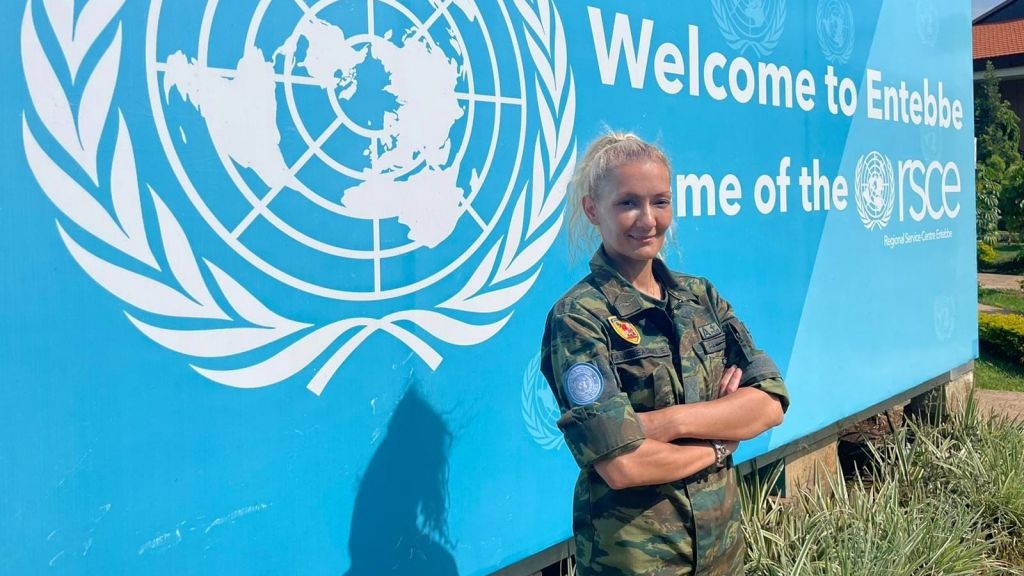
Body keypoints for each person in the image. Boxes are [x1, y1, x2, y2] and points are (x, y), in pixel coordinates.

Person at [540, 133, 790, 575]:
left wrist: (668, 422)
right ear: (593, 210)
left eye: (660, 201)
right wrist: (720, 442)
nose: (648, 219)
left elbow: (770, 403)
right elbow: (622, 464)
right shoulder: (579, 318)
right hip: (638, 559)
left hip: (723, 549)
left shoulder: (701, 297)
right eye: (627, 203)